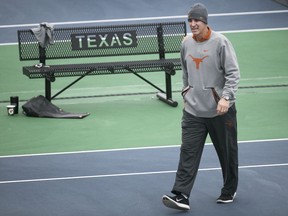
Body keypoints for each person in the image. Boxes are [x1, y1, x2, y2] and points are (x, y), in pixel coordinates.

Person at [162, 3, 240, 211]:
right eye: (190, 20)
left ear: (206, 22)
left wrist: (226, 97)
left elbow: (233, 74)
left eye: (197, 20)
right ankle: (181, 195)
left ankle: (229, 189)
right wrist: (186, 92)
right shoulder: (186, 42)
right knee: (188, 151)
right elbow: (185, 70)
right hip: (193, 111)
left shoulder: (221, 42)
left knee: (227, 152)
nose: (193, 24)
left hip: (220, 111)